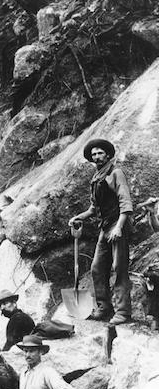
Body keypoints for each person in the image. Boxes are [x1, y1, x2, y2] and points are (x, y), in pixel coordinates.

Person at [68, 138, 133, 325]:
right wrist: (78, 217)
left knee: (119, 269)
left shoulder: (116, 173)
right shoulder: (96, 178)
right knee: (97, 268)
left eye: (100, 153)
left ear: (107, 155)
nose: (97, 157)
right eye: (94, 154)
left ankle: (123, 312)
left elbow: (125, 202)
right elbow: (93, 209)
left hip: (118, 226)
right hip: (105, 227)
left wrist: (119, 227)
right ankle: (104, 307)